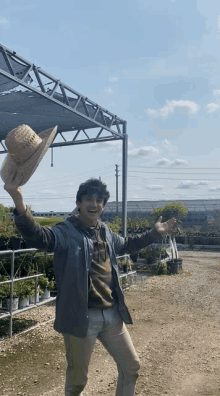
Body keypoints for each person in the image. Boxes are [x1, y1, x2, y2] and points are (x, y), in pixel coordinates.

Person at [4, 177, 176, 396]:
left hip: (113, 315)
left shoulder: (105, 231)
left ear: (103, 205)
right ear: (79, 203)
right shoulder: (66, 231)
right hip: (81, 318)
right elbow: (39, 237)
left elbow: (128, 244)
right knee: (77, 383)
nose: (94, 204)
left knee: (131, 367)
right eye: (88, 199)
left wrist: (154, 232)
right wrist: (19, 202)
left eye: (99, 200)